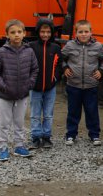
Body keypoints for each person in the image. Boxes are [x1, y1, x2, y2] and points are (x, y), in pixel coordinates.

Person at [0, 19, 38, 161]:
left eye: (19, 32)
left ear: (24, 34)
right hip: (5, 96)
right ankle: (3, 147)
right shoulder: (2, 52)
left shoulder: (29, 51)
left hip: (22, 94)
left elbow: (34, 70)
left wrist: (28, 85)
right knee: (4, 123)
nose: (16, 35)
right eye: (13, 32)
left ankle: (19, 146)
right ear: (7, 35)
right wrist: (3, 86)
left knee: (19, 122)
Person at [62, 20, 103, 146]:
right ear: (75, 33)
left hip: (91, 86)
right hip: (73, 85)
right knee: (73, 111)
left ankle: (94, 135)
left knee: (92, 111)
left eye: (86, 31)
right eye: (80, 32)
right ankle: (70, 134)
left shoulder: (97, 46)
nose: (83, 34)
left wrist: (101, 71)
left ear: (91, 32)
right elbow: (61, 58)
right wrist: (65, 68)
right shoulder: (70, 46)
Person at [28, 18, 62, 149]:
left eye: (48, 32)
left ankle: (47, 137)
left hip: (50, 87)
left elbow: (58, 65)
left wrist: (55, 78)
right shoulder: (31, 47)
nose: (45, 34)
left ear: (52, 32)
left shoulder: (55, 48)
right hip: (35, 87)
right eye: (42, 31)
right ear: (38, 32)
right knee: (35, 114)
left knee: (48, 114)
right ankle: (36, 137)